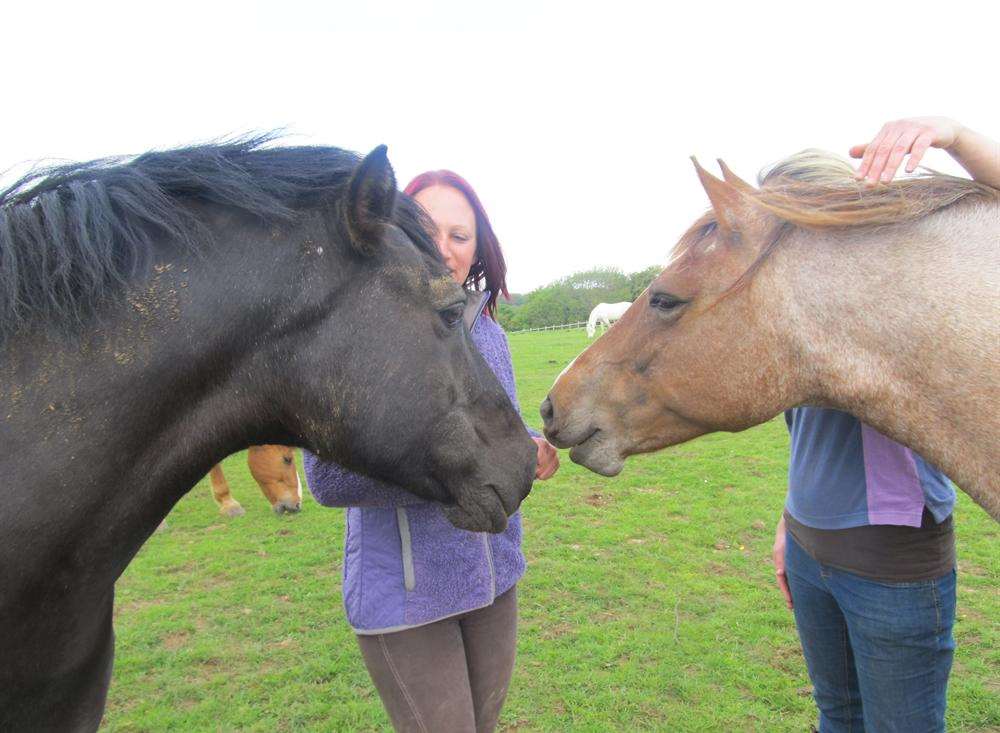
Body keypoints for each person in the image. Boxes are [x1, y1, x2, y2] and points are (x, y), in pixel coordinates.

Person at [304, 169, 560, 733]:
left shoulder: (490, 334)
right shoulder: (356, 336)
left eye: (460, 235)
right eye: (423, 228)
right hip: (406, 599)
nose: (442, 248)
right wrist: (458, 468)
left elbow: (496, 432)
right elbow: (326, 479)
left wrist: (528, 451)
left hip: (496, 579)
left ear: (478, 248)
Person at [772, 117, 1000, 732]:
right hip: (807, 548)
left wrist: (954, 135)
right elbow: (803, 432)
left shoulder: (903, 278)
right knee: (838, 717)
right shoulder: (788, 309)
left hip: (892, 564)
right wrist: (786, 523)